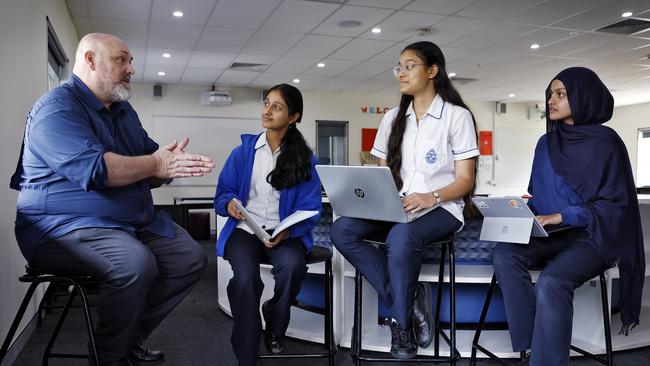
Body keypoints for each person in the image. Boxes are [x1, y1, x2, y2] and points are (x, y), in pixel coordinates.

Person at [10, 33, 214, 366]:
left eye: (130, 61)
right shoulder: (55, 108)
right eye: (122, 59)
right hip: (58, 227)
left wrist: (169, 164)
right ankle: (110, 357)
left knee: (189, 258)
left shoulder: (124, 112)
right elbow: (97, 170)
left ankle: (125, 338)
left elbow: (151, 164)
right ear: (90, 60)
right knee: (135, 264)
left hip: (126, 224)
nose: (131, 68)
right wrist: (157, 163)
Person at [330, 41, 479, 359]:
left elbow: (465, 182)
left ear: (433, 71)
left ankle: (402, 326)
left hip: (443, 207)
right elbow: (382, 175)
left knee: (401, 236)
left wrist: (431, 196)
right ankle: (411, 304)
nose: (401, 72)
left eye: (410, 65)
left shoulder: (456, 117)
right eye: (399, 66)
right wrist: (380, 199)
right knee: (342, 230)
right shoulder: (392, 118)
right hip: (398, 206)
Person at [491, 67, 645, 366]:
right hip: (552, 236)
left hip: (593, 238)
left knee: (552, 281)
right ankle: (532, 346)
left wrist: (561, 216)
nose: (552, 100)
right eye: (551, 94)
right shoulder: (545, 143)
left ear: (582, 96)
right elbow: (537, 194)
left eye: (560, 94)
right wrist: (522, 212)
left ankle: (547, 360)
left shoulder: (606, 143)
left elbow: (616, 205)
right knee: (504, 255)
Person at [214, 83, 322, 366]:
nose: (268, 111)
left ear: (293, 116)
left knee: (292, 268)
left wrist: (288, 229)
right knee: (245, 279)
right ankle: (247, 355)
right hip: (245, 231)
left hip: (284, 233)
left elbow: (311, 209)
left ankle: (275, 321)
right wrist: (228, 204)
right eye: (267, 104)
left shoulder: (306, 160)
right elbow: (223, 192)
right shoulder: (243, 152)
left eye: (277, 106)